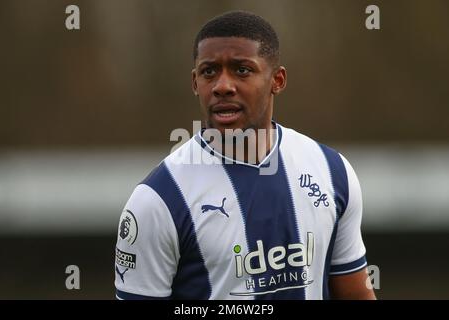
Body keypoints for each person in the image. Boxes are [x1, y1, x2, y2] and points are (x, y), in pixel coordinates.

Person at [114, 10, 376, 300]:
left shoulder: (332, 172)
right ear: (194, 83)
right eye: (208, 71)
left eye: (241, 70)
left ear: (277, 80)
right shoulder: (157, 200)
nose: (222, 86)